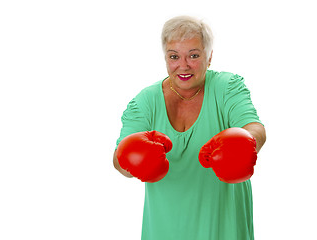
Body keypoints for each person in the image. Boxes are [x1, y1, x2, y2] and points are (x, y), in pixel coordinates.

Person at [113, 15, 266, 240]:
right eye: (174, 56)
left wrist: (245, 143)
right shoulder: (145, 102)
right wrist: (135, 159)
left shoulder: (227, 88)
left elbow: (254, 127)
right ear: (165, 58)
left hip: (223, 230)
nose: (183, 65)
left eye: (193, 55)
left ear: (209, 56)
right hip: (164, 231)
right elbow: (119, 160)